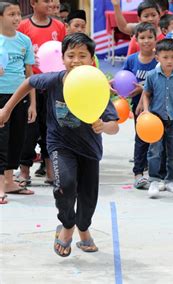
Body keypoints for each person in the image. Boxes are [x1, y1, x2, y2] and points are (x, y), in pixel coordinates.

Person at [0, 33, 119, 257]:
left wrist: (104, 126)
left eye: (82, 55)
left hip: (90, 150)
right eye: (70, 55)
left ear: (92, 59)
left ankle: (83, 230)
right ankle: (66, 227)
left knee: (88, 198)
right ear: (62, 58)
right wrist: (7, 109)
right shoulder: (55, 79)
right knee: (64, 184)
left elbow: (115, 125)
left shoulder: (97, 85)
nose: (76, 60)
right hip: (60, 144)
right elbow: (29, 82)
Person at [17, 0, 67, 187]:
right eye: (46, 0)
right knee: (29, 129)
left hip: (53, 85)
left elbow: (64, 53)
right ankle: (24, 170)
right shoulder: (23, 26)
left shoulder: (59, 26)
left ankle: (50, 170)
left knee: (51, 128)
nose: (51, 3)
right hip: (31, 86)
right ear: (33, 3)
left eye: (53, 0)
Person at [141, 38, 173, 197]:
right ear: (157, 58)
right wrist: (146, 111)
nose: (169, 61)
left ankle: (171, 180)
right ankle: (154, 180)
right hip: (156, 120)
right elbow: (146, 94)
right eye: (165, 57)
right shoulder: (152, 75)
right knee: (155, 151)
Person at [0, 0, 36, 204]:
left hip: (20, 97)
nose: (16, 18)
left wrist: (32, 103)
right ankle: (0, 186)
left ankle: (9, 181)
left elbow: (29, 74)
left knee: (16, 139)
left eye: (18, 14)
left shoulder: (24, 41)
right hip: (0, 96)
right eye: (11, 14)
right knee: (1, 140)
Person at [122, 23, 158, 190]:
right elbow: (125, 81)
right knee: (141, 138)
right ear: (135, 39)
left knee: (158, 139)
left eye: (150, 37)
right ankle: (138, 173)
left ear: (156, 38)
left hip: (158, 106)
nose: (146, 41)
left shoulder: (160, 60)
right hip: (139, 107)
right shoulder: (131, 60)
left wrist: (143, 88)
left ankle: (156, 173)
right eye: (142, 37)